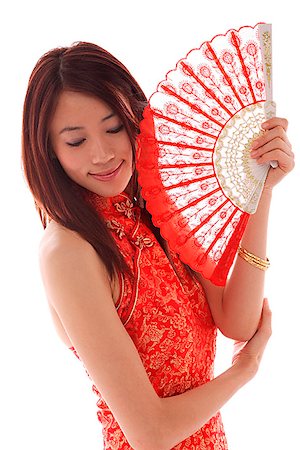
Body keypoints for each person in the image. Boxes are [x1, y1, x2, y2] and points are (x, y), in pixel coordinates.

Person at [21, 42, 294, 450]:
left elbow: (236, 321)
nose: (103, 153)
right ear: (49, 152)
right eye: (76, 142)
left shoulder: (153, 207)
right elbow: (150, 433)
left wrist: (260, 190)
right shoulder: (68, 251)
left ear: (136, 118)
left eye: (113, 128)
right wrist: (244, 371)